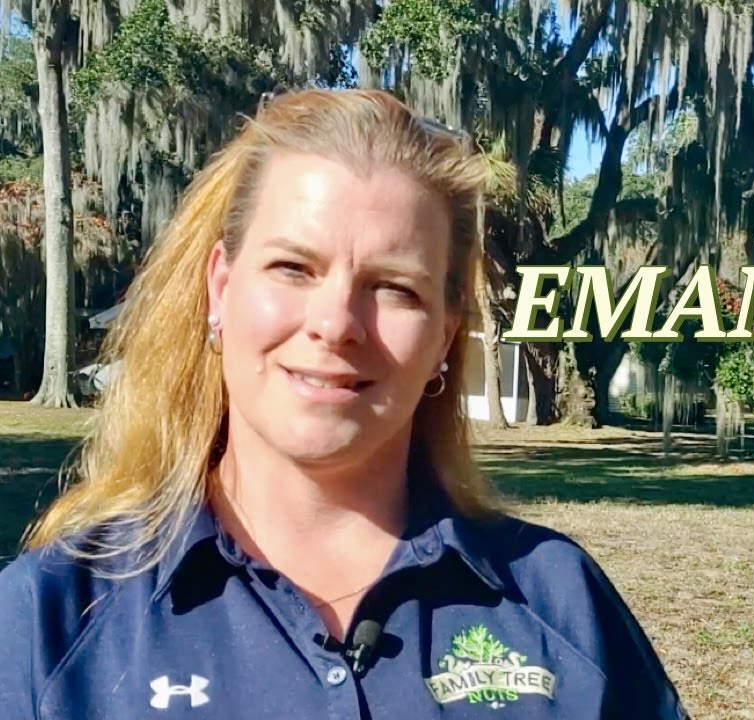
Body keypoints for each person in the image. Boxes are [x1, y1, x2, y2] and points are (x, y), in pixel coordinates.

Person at [0, 89, 689, 719]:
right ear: (220, 289)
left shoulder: (559, 607)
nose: (337, 324)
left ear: (446, 335)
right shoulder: (51, 620)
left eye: (394, 287)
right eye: (293, 268)